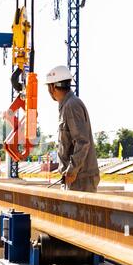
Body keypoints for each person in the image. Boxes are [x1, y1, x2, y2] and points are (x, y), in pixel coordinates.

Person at [45, 65, 100, 193]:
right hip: (75, 177)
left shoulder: (71, 105)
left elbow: (82, 141)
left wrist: (72, 169)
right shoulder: (66, 105)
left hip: (80, 178)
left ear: (53, 87)